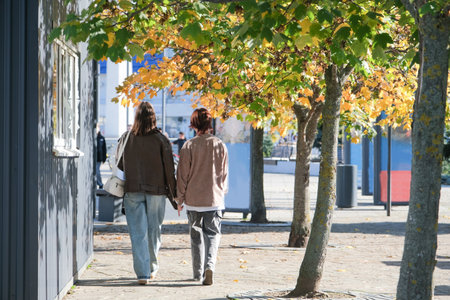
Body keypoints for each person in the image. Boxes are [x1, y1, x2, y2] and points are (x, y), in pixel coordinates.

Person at [117, 102, 177, 285]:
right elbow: (169, 170)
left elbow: (119, 166)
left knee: (137, 233)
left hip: (133, 190)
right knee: (154, 231)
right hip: (157, 191)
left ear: (136, 117)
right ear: (153, 117)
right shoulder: (161, 139)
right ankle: (151, 268)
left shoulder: (126, 138)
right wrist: (174, 195)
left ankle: (142, 274)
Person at [176, 108, 228, 286]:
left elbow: (182, 175)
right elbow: (224, 174)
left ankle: (197, 273)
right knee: (213, 235)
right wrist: (221, 192)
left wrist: (179, 200)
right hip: (213, 199)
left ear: (194, 124)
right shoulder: (220, 145)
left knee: (195, 237)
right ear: (209, 124)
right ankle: (210, 267)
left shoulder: (188, 146)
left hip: (193, 200)